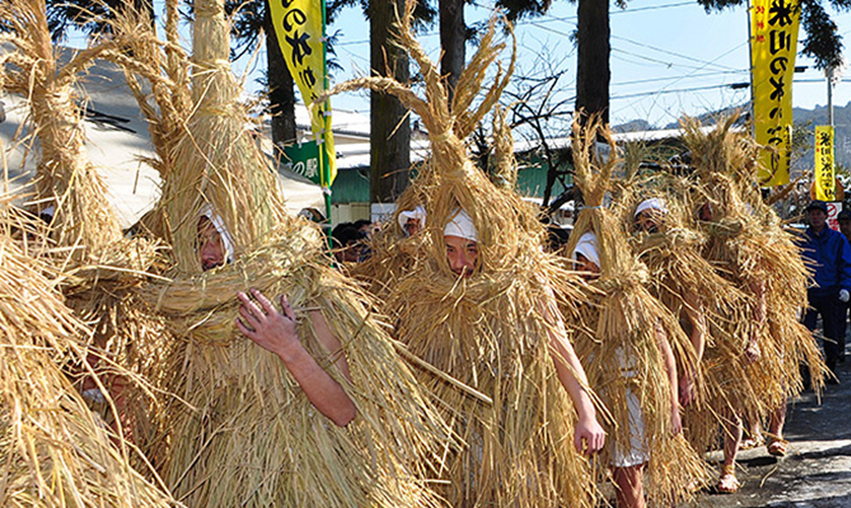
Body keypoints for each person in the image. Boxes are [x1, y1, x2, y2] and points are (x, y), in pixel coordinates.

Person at [444, 210, 606, 451]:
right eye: (451, 250)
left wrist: (587, 413)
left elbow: (561, 347)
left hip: (517, 433)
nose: (460, 263)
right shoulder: (433, 291)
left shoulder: (526, 286)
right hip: (456, 436)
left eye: (471, 249)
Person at [572, 231, 682, 508]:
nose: (584, 272)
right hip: (593, 401)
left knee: (629, 478)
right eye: (579, 264)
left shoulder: (635, 305)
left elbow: (666, 358)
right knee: (592, 480)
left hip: (629, 403)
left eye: (589, 264)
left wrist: (673, 409)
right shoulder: (578, 306)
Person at [235, 288, 357, 427]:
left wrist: (288, 347)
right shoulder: (209, 314)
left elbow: (343, 412)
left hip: (299, 441)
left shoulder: (310, 306)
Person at [799, 200, 851, 382]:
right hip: (809, 294)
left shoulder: (837, 239)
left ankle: (830, 367)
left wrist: (845, 287)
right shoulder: (801, 239)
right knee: (806, 333)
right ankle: (806, 371)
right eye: (812, 214)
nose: (815, 217)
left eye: (819, 214)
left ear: (826, 216)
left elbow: (846, 265)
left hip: (831, 292)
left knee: (832, 333)